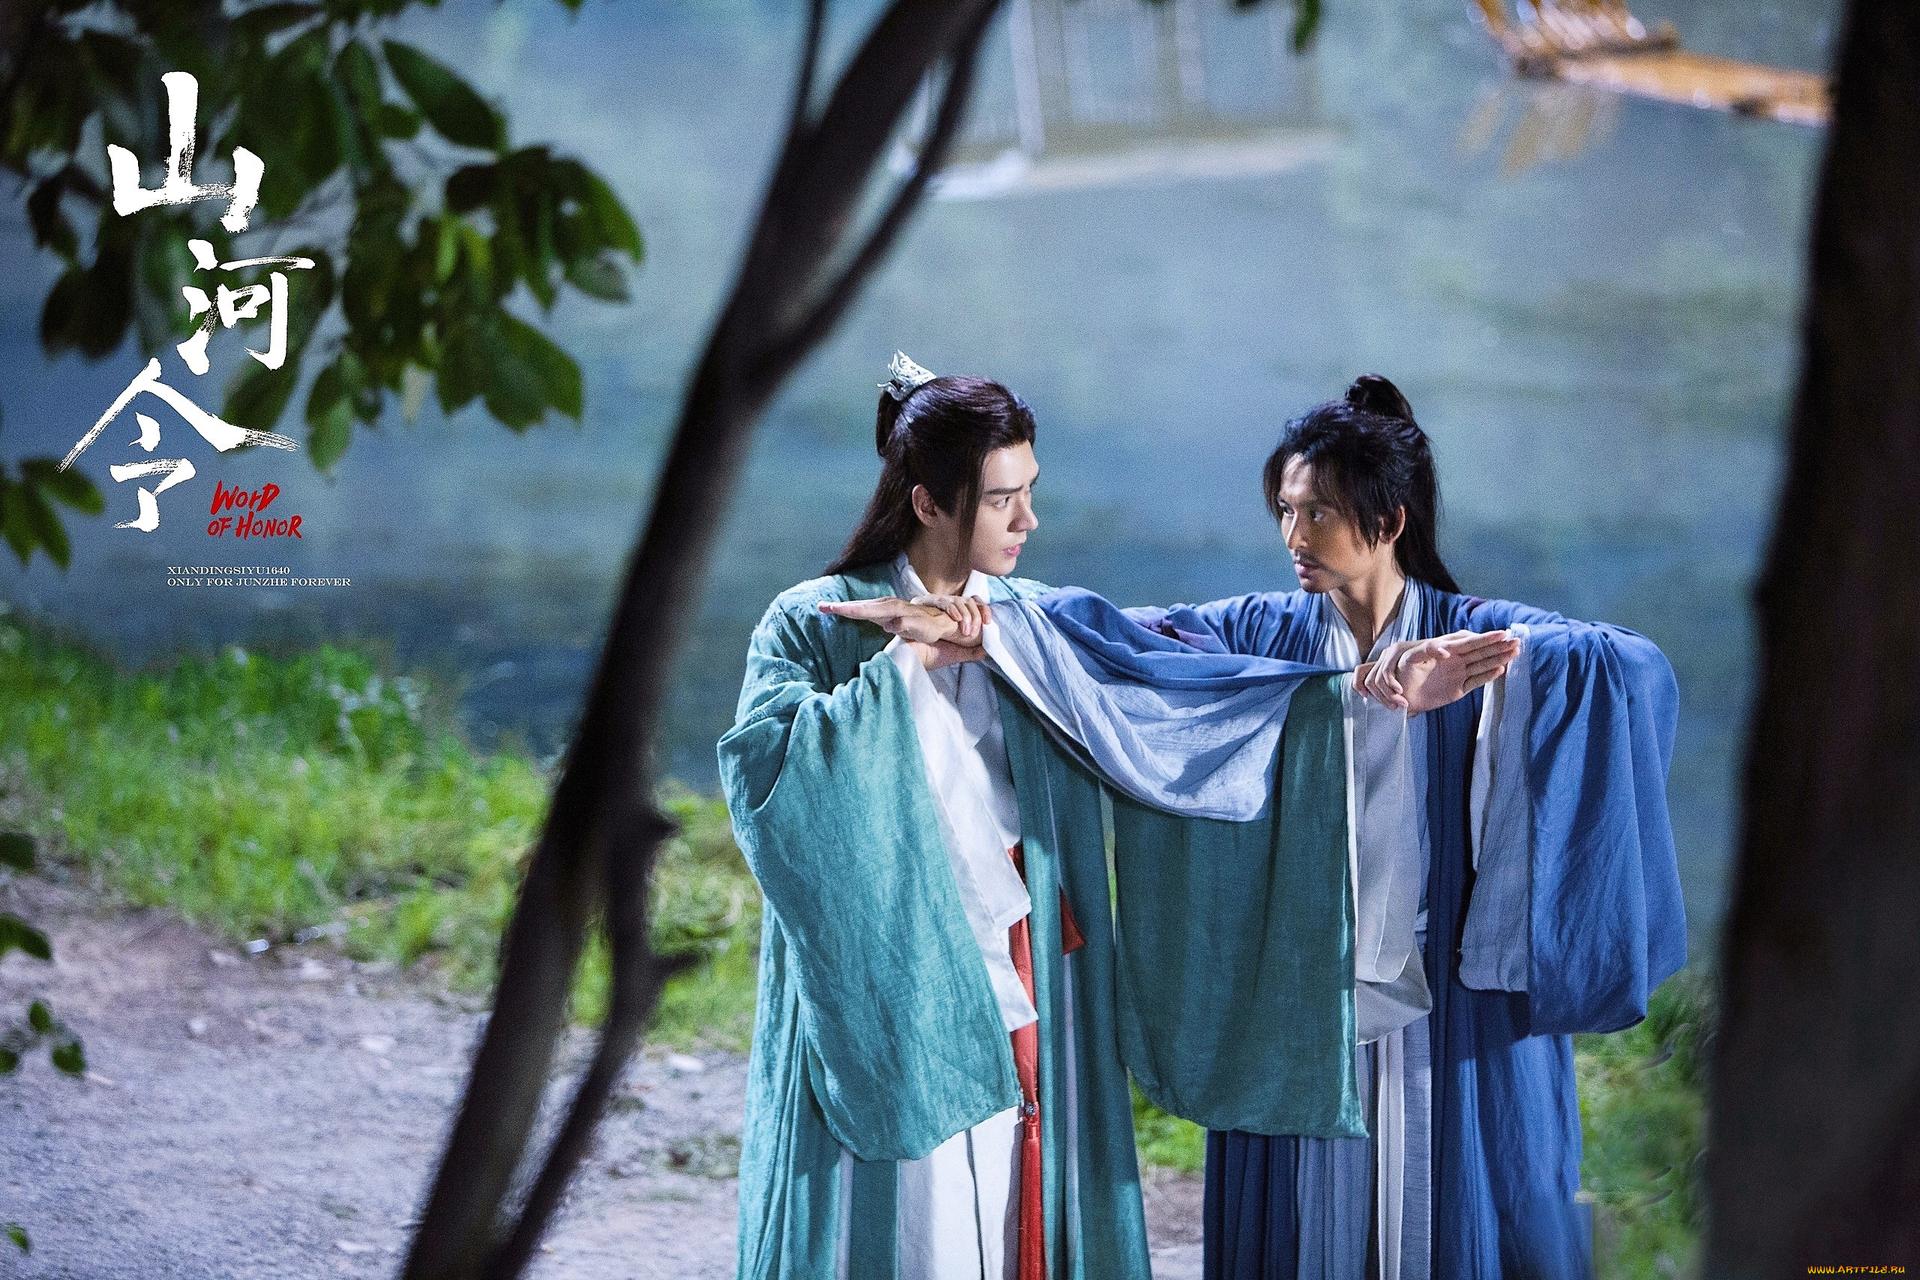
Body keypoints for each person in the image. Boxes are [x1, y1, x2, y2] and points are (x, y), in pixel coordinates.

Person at [913, 374, 1687, 1280]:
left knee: (1461, 1204)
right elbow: (1130, 642)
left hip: (1450, 989)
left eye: (1317, 513)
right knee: (1303, 1220)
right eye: (1286, 510)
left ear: (1389, 521)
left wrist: (1511, 667)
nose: (1293, 536)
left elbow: (1628, 664)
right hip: (1299, 980)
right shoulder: (1265, 632)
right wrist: (993, 621)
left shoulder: (1470, 634)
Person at [717, 353, 1152, 1280]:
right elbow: (766, 782)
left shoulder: (1031, 621)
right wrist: (903, 667)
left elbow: (1167, 662)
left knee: (1009, 1185)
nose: (1029, 521)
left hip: (1019, 949)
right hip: (888, 959)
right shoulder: (814, 621)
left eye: (1030, 492)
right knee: (913, 1215)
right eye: (1002, 500)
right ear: (927, 503)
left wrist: (1357, 677)